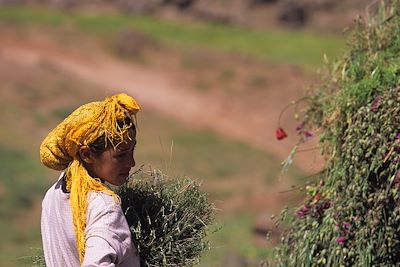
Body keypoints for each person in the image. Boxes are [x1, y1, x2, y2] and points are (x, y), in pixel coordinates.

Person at [40, 93, 141, 267]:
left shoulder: (53, 195)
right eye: (121, 154)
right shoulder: (104, 206)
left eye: (132, 151)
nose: (131, 162)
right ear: (86, 154)